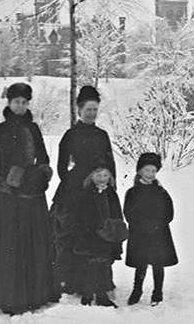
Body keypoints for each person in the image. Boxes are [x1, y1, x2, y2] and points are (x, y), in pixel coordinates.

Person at [0, 83, 58, 315]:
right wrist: (17, 178)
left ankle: (36, 293)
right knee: (9, 244)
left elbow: (44, 157)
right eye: (16, 101)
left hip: (32, 193)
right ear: (9, 103)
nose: (20, 106)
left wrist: (40, 175)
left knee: (33, 243)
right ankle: (5, 295)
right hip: (8, 196)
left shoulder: (34, 128)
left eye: (24, 102)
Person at [50, 85, 117, 295]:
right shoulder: (70, 135)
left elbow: (110, 162)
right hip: (75, 192)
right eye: (88, 109)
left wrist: (107, 183)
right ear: (79, 110)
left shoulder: (102, 135)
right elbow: (61, 167)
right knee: (71, 234)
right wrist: (74, 183)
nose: (91, 113)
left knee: (100, 234)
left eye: (95, 109)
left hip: (100, 189)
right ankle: (70, 281)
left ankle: (99, 282)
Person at [124, 153, 178, 306]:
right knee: (141, 263)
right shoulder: (133, 192)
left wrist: (157, 224)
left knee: (158, 264)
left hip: (158, 234)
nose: (151, 174)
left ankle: (157, 292)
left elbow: (169, 212)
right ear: (140, 171)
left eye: (154, 171)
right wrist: (141, 225)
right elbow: (128, 213)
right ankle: (137, 290)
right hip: (140, 234)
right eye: (147, 170)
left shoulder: (161, 192)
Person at [74, 167, 125, 308]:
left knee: (104, 264)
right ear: (91, 176)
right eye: (98, 175)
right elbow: (79, 215)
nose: (102, 178)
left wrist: (116, 232)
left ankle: (102, 295)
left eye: (105, 175)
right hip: (90, 235)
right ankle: (87, 293)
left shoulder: (111, 194)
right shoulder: (85, 194)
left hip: (107, 236)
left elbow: (117, 214)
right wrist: (86, 230)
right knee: (90, 265)